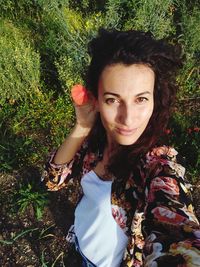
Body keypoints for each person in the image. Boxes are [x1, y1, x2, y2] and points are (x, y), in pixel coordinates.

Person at [42, 29, 200, 267]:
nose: (127, 119)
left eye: (141, 99)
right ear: (96, 99)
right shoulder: (93, 145)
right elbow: (51, 181)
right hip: (81, 246)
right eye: (113, 100)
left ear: (155, 100)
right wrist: (82, 127)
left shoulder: (157, 169)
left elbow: (177, 235)